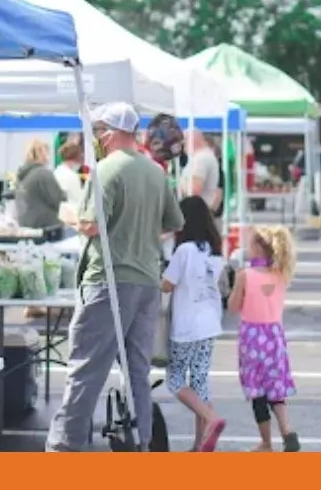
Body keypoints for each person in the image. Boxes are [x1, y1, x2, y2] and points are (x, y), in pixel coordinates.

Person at [46, 102, 185, 452]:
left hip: (108, 280)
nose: (95, 137)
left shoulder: (104, 170)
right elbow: (173, 223)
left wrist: (72, 218)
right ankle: (142, 443)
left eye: (97, 131)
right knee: (137, 371)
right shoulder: (156, 172)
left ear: (109, 133)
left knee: (86, 369)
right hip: (147, 281)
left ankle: (64, 448)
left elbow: (91, 224)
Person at [161, 196, 227, 452]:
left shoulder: (184, 250)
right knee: (199, 382)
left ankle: (211, 419)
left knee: (176, 380)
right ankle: (200, 445)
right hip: (210, 323)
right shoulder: (214, 250)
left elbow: (167, 285)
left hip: (186, 325)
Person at [227, 225, 299, 452]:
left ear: (257, 248)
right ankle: (287, 430)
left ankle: (266, 442)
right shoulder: (280, 274)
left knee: (257, 391)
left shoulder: (245, 276)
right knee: (275, 388)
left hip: (252, 338)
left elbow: (233, 307)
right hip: (275, 337)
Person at [13, 139, 66, 237]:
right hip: (48, 229)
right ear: (42, 153)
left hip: (26, 226)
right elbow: (58, 200)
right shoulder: (43, 174)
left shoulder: (22, 175)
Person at [180, 128, 223, 215]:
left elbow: (194, 189)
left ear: (192, 141)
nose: (183, 148)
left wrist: (179, 186)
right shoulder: (205, 156)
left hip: (197, 213)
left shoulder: (201, 159)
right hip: (204, 210)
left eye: (184, 143)